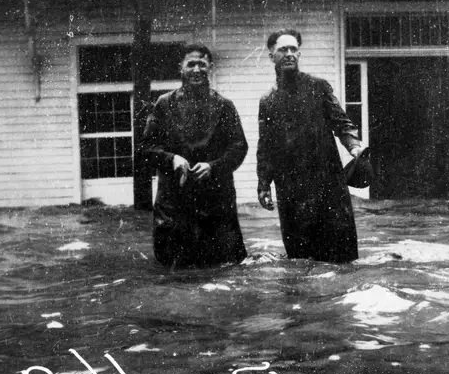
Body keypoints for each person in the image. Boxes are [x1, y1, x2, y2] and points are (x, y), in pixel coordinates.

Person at [256, 29, 365, 263]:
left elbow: (342, 123)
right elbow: (265, 146)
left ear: (299, 53)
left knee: (340, 256)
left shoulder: (318, 87)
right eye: (283, 49)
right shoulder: (268, 101)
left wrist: (354, 146)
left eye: (294, 49)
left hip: (327, 184)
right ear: (271, 55)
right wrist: (263, 183)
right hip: (291, 188)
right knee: (300, 259)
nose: (289, 54)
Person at [142, 44, 248, 269]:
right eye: (191, 64)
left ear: (210, 67)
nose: (197, 69)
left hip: (216, 200)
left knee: (222, 269)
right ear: (180, 68)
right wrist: (172, 159)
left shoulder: (224, 106)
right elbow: (147, 148)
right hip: (174, 202)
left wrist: (213, 166)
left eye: (202, 64)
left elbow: (239, 147)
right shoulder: (164, 104)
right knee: (175, 271)